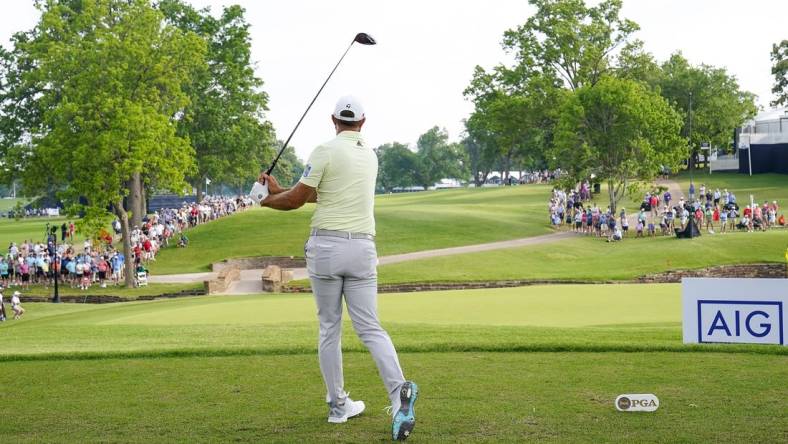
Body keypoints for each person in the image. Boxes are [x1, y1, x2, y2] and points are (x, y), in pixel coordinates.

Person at [258, 96, 418, 440]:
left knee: (329, 327)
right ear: (362, 122)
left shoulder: (325, 150)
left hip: (327, 249)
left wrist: (265, 199)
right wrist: (279, 190)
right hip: (362, 248)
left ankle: (337, 407)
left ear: (334, 120)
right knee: (371, 328)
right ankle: (397, 393)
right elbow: (318, 191)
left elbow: (300, 199)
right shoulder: (370, 156)